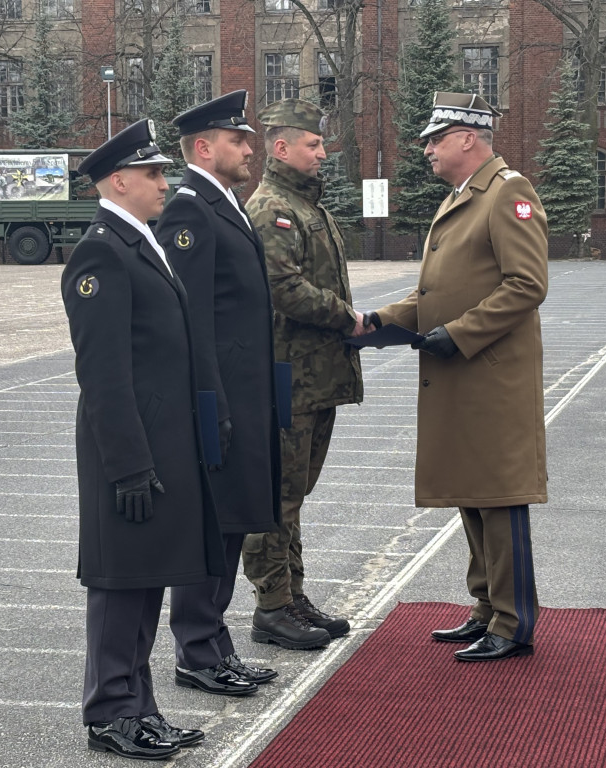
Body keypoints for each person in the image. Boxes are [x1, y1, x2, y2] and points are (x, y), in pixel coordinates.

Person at [364, 92, 549, 662]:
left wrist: (460, 333)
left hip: (490, 377)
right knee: (473, 493)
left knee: (499, 497)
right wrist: (375, 321)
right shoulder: (463, 198)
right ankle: (487, 607)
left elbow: (526, 284)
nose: (426, 149)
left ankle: (514, 622)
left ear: (469, 137)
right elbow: (430, 294)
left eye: (435, 138)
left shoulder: (507, 193)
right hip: (463, 377)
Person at [62, 118, 225, 761]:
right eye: (154, 173)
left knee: (146, 580)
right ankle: (110, 712)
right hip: (126, 450)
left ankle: (141, 707)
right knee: (120, 583)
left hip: (159, 444)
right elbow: (102, 372)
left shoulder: (140, 240)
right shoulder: (101, 251)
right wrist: (128, 465)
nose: (165, 181)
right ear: (120, 180)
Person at [154, 90, 282, 695]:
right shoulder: (189, 212)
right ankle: (198, 651)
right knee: (213, 523)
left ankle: (213, 645)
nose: (250, 147)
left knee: (231, 522)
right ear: (204, 148)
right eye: (238, 139)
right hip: (219, 400)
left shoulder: (224, 204)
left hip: (246, 394)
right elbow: (193, 319)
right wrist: (212, 404)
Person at [240, 99, 365, 650]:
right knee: (277, 495)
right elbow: (282, 288)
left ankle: (292, 595)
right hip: (287, 376)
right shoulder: (271, 207)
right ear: (282, 147)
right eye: (313, 145)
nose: (322, 152)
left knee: (296, 493)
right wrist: (349, 318)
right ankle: (271, 606)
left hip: (317, 377)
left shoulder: (306, 205)